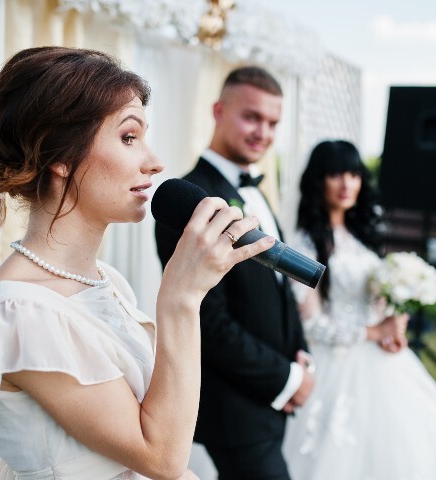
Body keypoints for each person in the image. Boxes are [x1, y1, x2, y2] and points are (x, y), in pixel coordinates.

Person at [0, 47, 273, 480]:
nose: (154, 161)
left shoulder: (107, 282)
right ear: (60, 157)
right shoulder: (14, 313)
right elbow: (161, 457)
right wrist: (181, 298)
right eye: (128, 137)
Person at [282, 140, 436, 480]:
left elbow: (375, 298)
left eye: (354, 174)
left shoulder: (363, 236)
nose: (347, 184)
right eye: (335, 174)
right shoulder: (305, 243)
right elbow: (310, 323)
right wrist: (372, 332)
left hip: (383, 356)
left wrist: (394, 324)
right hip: (334, 362)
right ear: (318, 181)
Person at [154, 66, 312, 480]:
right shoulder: (190, 202)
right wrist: (286, 379)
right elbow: (208, 320)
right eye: (251, 117)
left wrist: (301, 356)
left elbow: (280, 289)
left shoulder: (256, 191)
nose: (264, 131)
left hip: (271, 401)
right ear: (218, 110)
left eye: (273, 122)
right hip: (236, 409)